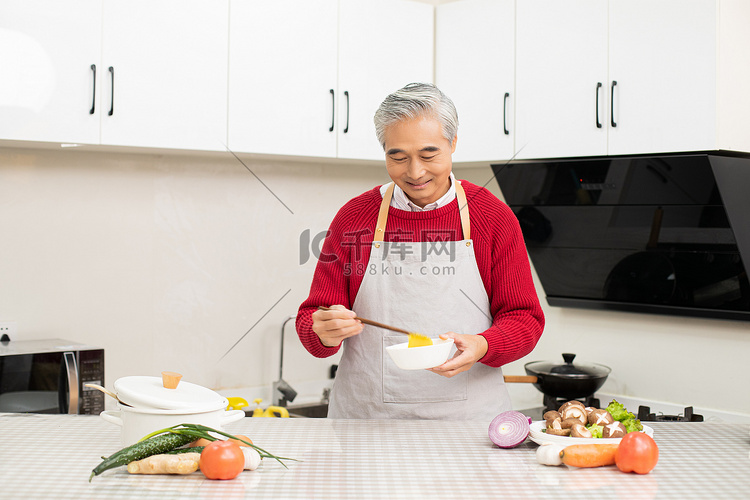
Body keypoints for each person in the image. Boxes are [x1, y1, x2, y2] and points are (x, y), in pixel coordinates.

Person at [296, 83, 544, 420]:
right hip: (368, 424)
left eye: (429, 155)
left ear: (453, 143)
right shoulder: (355, 218)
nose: (415, 172)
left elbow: (524, 318)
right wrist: (322, 330)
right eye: (397, 157)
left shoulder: (492, 218)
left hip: (469, 427)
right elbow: (313, 318)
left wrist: (483, 345)